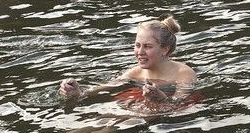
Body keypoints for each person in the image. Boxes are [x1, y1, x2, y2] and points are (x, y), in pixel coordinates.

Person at [59, 15, 196, 105]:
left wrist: (162, 99)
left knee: (112, 125)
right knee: (101, 120)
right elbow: (105, 86)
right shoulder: (135, 73)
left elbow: (178, 104)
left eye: (147, 46)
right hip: (140, 106)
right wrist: (77, 91)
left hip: (161, 119)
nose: (140, 52)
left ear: (165, 49)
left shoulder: (183, 73)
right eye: (137, 45)